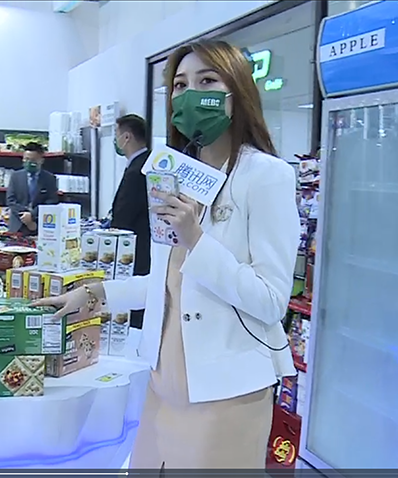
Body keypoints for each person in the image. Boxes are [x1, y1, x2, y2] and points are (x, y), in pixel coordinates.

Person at [35, 40, 299, 469]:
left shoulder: (266, 176)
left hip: (225, 394)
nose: (190, 94)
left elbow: (270, 300)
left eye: (207, 81)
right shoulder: (176, 173)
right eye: (180, 85)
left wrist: (196, 238)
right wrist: (95, 294)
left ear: (237, 92)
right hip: (162, 384)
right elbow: (168, 281)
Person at [109, 114, 151, 329]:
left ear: (126, 137)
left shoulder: (138, 170)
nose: (115, 140)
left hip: (135, 250)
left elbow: (124, 215)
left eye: (116, 135)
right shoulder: (146, 163)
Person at [6, 142, 58, 235]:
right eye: (26, 159)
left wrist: (32, 215)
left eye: (33, 160)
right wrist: (25, 215)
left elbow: (51, 201)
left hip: (39, 225)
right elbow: (10, 200)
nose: (29, 162)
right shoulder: (15, 176)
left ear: (41, 160)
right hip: (17, 226)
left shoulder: (50, 178)